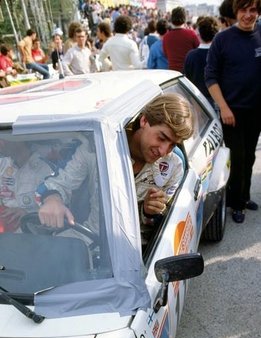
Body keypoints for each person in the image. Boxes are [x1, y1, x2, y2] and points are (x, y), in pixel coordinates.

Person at [37, 93, 193, 238]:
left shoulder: (174, 165)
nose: (164, 151)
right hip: (88, 240)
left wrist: (149, 212)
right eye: (161, 138)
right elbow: (59, 183)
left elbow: (167, 228)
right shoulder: (97, 147)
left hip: (137, 251)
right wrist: (52, 199)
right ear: (144, 121)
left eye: (173, 145)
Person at [205, 0, 261, 223]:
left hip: (256, 111)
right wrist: (224, 108)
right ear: (235, 12)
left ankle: (244, 197)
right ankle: (236, 204)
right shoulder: (223, 39)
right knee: (236, 158)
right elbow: (210, 77)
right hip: (232, 113)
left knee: (249, 156)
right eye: (243, 10)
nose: (248, 15)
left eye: (253, 10)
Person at [0, 140, 55, 231]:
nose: (1, 143)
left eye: (4, 139)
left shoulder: (45, 169)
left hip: (32, 233)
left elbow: (55, 211)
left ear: (20, 139)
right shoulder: (2, 164)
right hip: (4, 229)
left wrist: (28, 214)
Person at [183, 16, 219, 106]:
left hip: (198, 101)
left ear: (199, 34)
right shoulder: (220, 54)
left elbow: (187, 78)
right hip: (219, 100)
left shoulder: (191, 55)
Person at [163, 7, 200, 72]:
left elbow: (166, 54)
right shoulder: (191, 34)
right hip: (189, 72)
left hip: (173, 74)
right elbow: (198, 50)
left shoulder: (166, 37)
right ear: (184, 18)